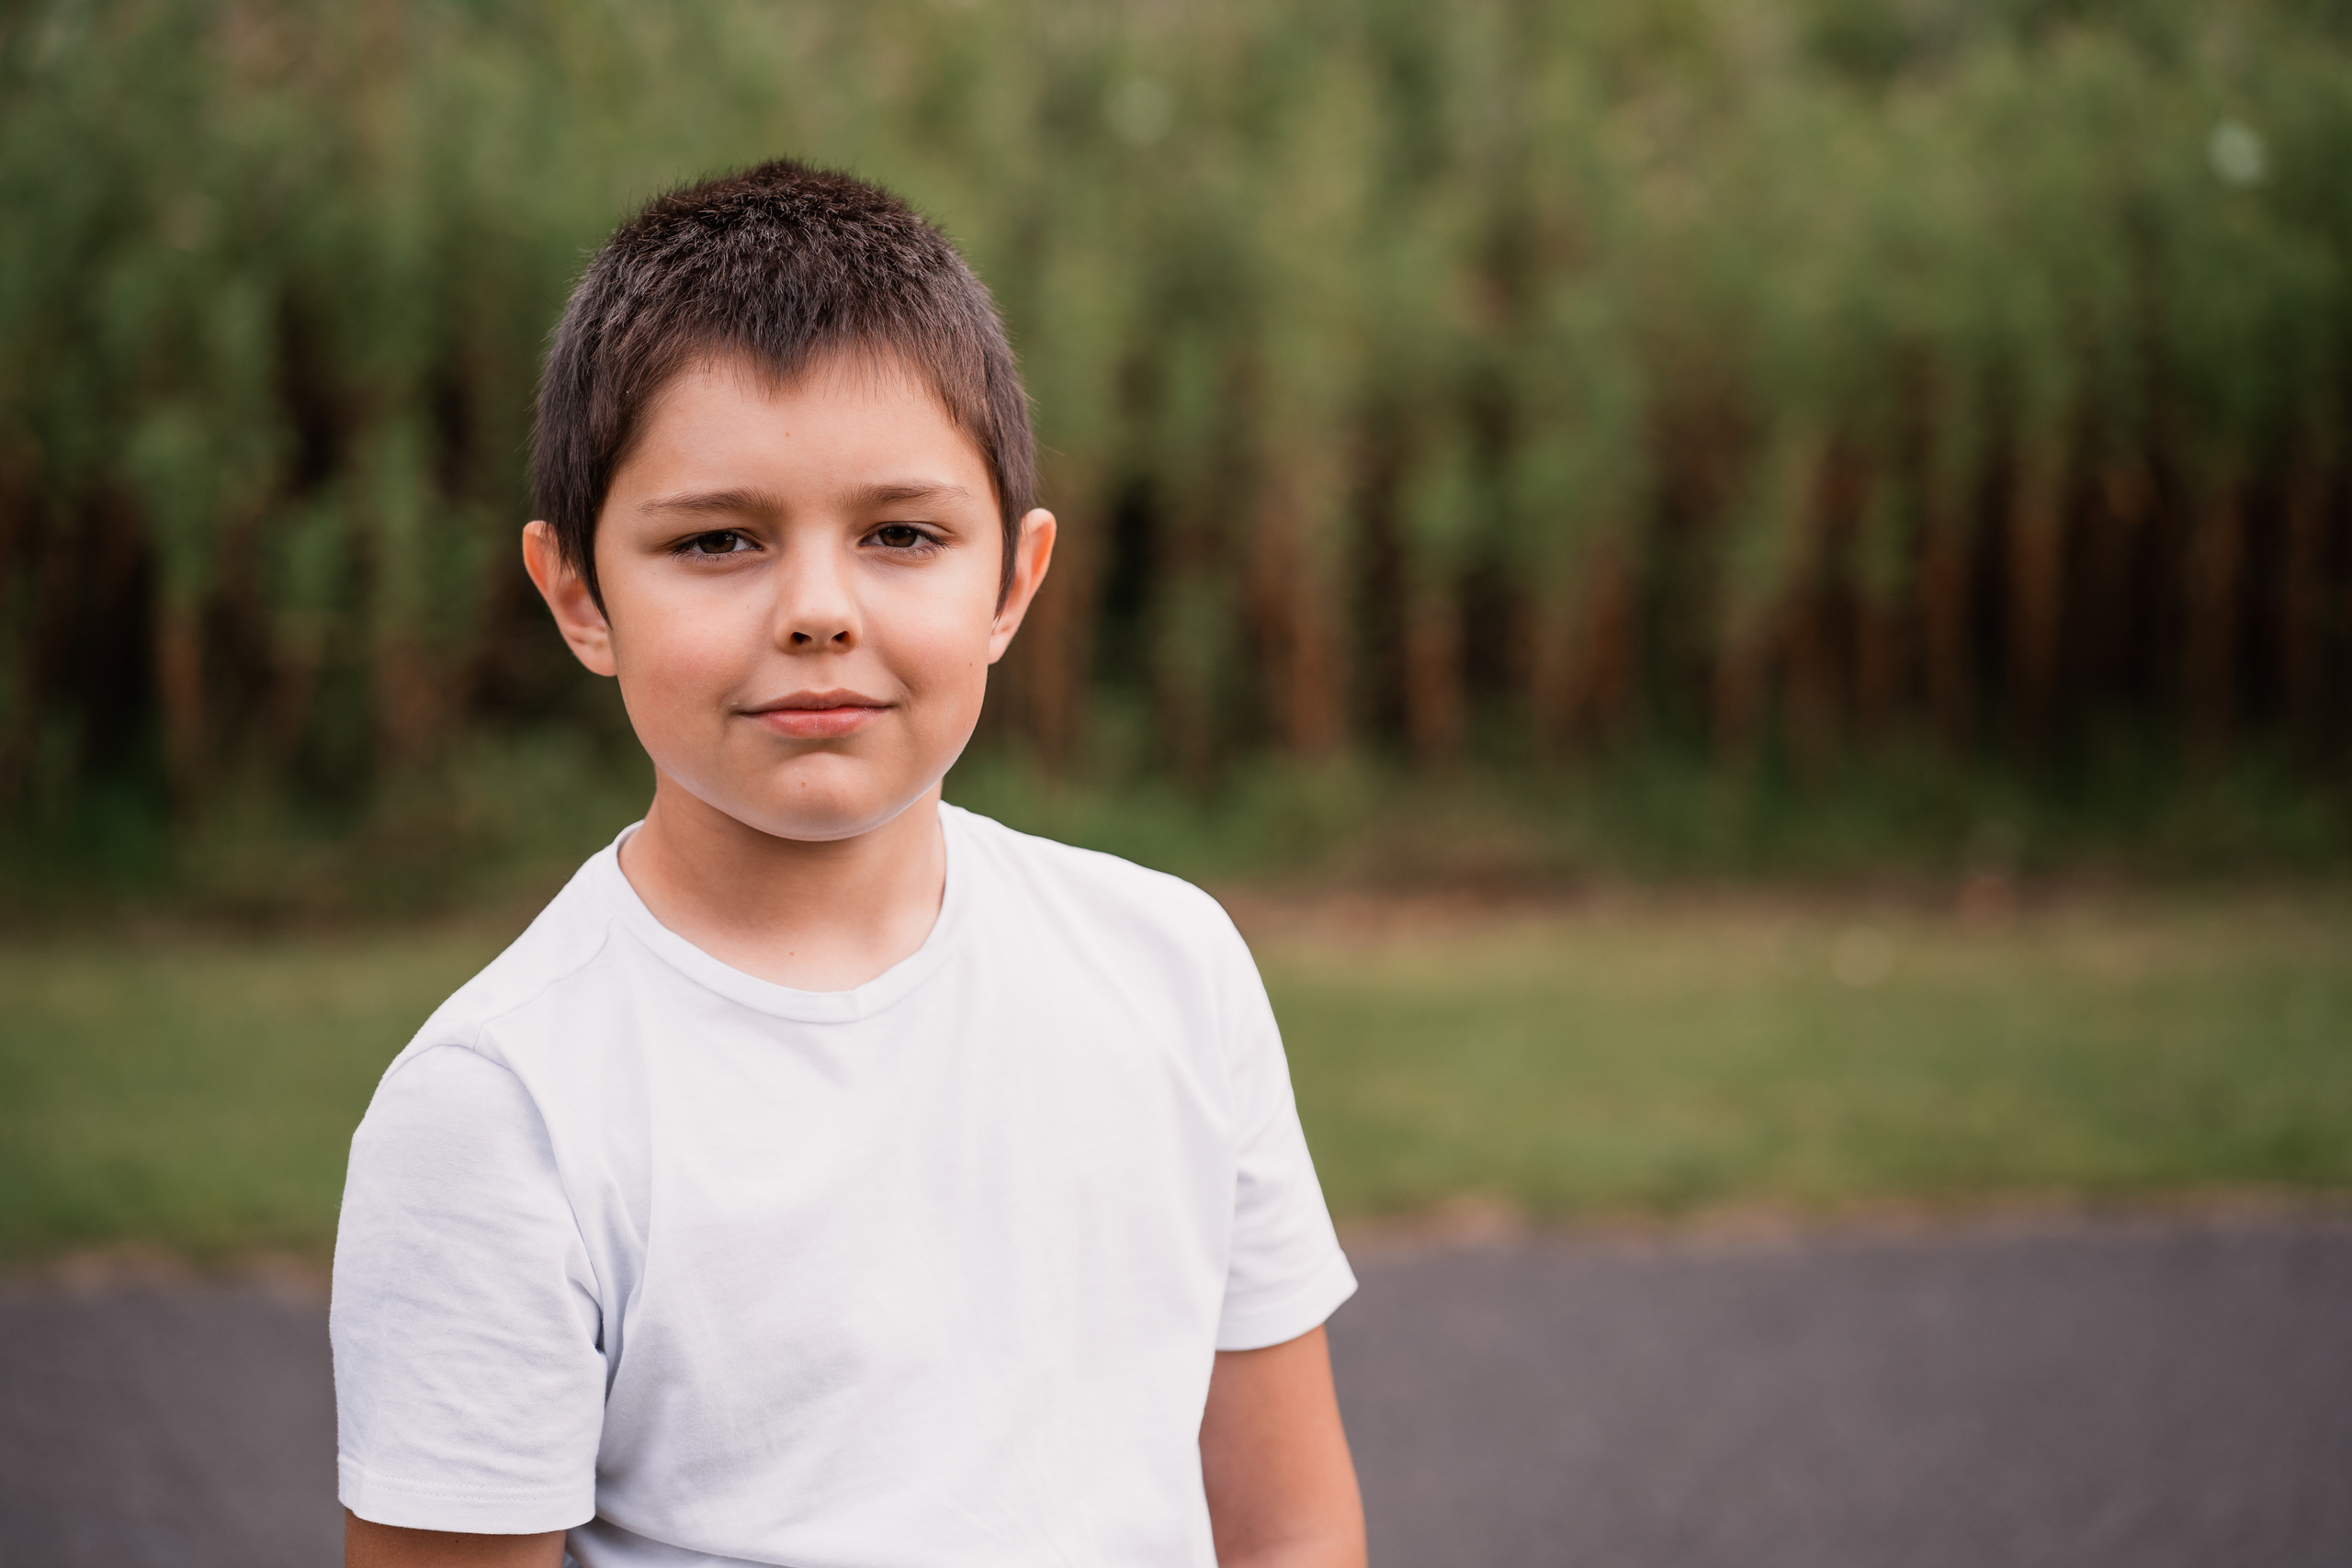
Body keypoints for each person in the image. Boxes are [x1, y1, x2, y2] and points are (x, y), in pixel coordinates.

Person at [330, 160, 1365, 1568]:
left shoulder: (1172, 970)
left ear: (1012, 582)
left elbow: (1290, 1530)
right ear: (579, 595)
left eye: (900, 535)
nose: (818, 610)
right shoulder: (501, 1111)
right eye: (717, 540)